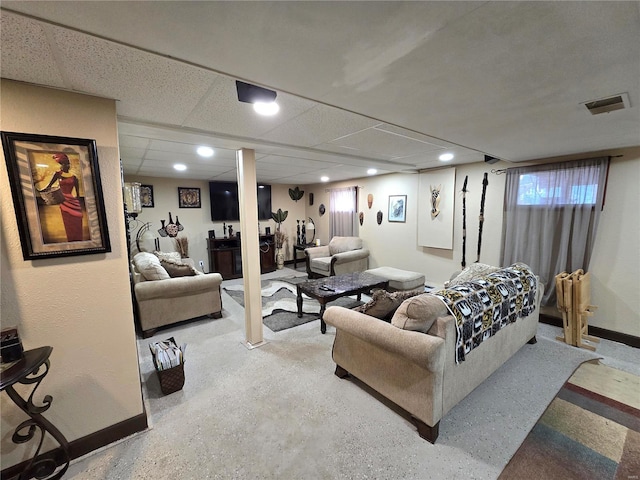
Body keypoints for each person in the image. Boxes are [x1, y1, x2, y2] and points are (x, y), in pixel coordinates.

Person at [41, 153, 85, 242]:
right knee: (68, 221)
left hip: (73, 201)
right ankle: (71, 239)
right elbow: (49, 186)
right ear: (62, 164)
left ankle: (78, 239)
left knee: (77, 219)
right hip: (63, 200)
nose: (67, 166)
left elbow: (77, 194)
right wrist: (41, 191)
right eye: (65, 164)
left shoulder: (74, 177)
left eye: (68, 164)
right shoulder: (57, 174)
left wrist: (79, 204)